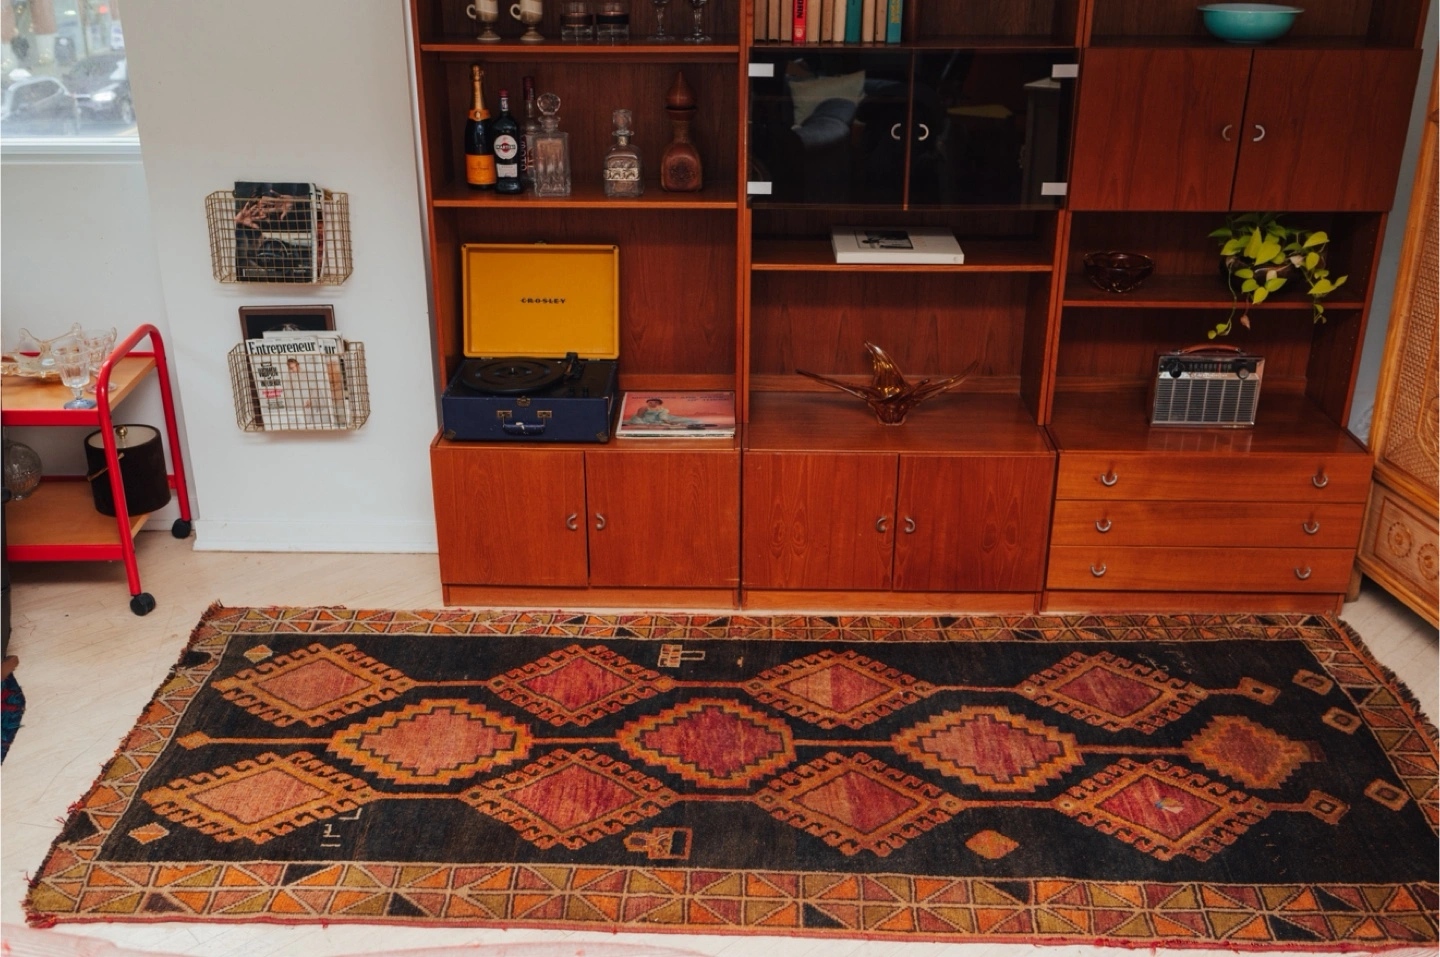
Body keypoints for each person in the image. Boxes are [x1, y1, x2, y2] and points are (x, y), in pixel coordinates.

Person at [623, 397, 706, 429]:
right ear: (648, 403)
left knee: (684, 420)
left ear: (658, 403)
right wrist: (640, 414)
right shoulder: (644, 408)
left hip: (665, 418)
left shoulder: (662, 410)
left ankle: (696, 424)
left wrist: (667, 422)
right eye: (650, 402)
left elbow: (663, 417)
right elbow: (639, 416)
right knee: (630, 422)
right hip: (648, 420)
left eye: (655, 402)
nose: (652, 404)